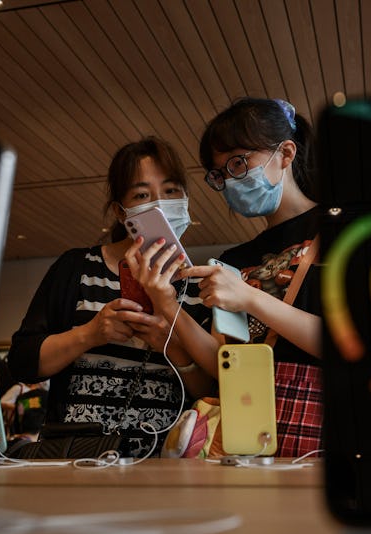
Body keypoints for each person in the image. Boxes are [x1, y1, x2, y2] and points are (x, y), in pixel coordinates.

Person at [126, 98, 322, 457]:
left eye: (238, 162)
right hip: (247, 429)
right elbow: (223, 362)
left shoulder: (340, 227)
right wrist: (168, 306)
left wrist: (249, 297)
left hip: (319, 427)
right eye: (220, 174)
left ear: (286, 153)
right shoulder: (235, 260)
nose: (231, 180)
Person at [7, 137, 212, 457]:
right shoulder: (76, 267)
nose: (159, 204)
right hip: (76, 454)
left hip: (166, 460)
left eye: (171, 191)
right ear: (121, 211)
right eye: (142, 195)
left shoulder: (202, 284)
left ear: (186, 198)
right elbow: (22, 362)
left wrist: (172, 347)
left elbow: (214, 392)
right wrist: (90, 333)